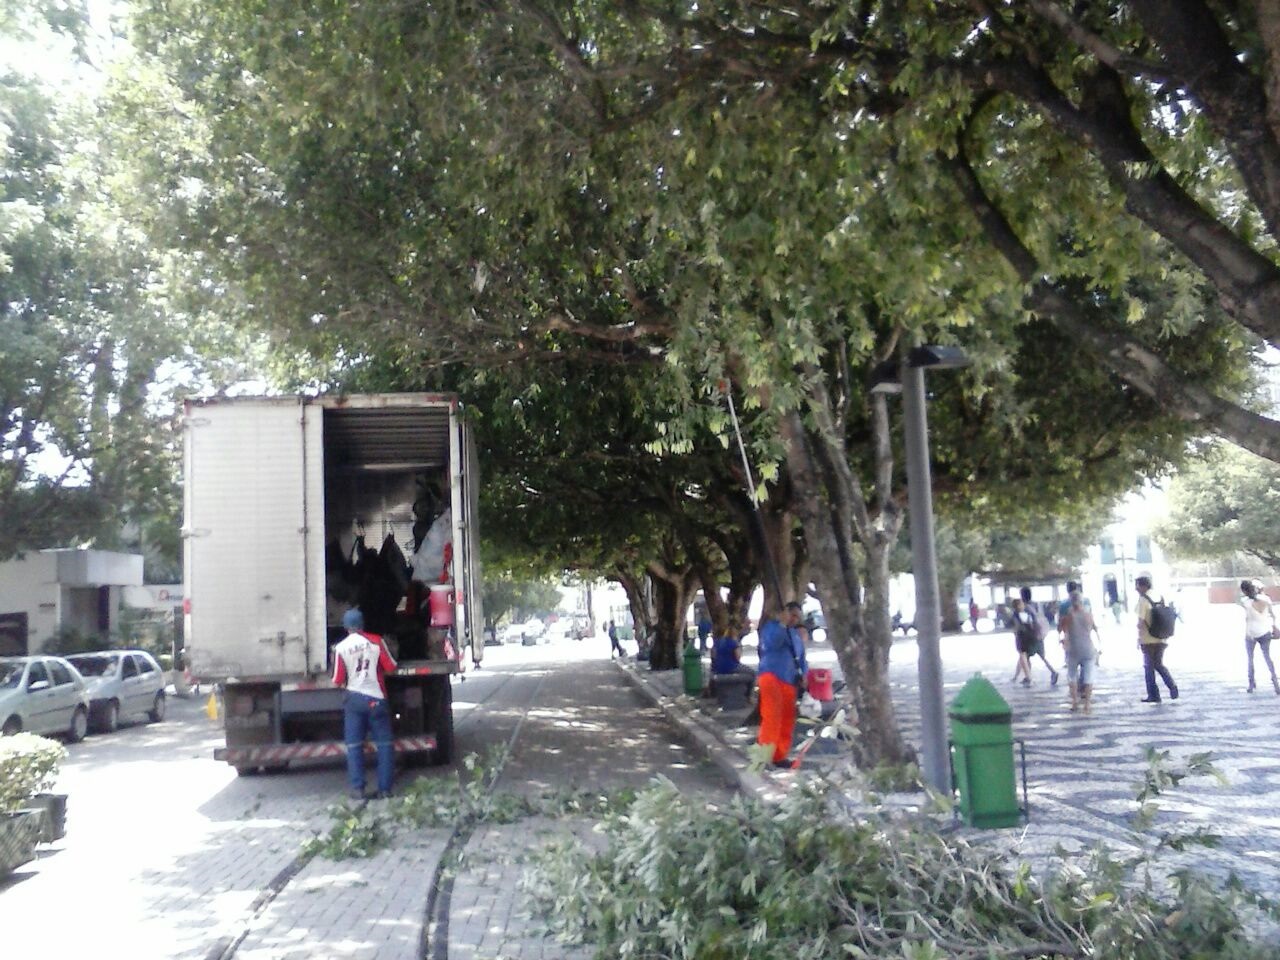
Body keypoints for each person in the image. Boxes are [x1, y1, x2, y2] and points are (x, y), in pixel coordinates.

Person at [331, 608, 397, 800]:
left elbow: (337, 679)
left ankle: (358, 789)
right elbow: (391, 666)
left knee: (354, 745)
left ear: (346, 627)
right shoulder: (376, 641)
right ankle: (385, 789)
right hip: (377, 698)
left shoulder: (341, 648)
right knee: (384, 744)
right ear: (362, 624)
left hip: (354, 701)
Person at [756, 601, 808, 769]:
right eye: (792, 615)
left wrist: (805, 675)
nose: (794, 619)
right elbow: (771, 643)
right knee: (772, 717)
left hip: (789, 681)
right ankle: (764, 757)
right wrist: (781, 625)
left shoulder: (795, 635)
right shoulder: (771, 628)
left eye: (797, 617)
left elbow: (801, 658)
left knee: (787, 719)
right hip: (771, 677)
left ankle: (779, 755)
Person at [1135, 575, 1179, 703]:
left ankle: (1153, 695)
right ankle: (1172, 685)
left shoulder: (1143, 600)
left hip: (1148, 639)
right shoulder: (1159, 597)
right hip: (1162, 637)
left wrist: (1139, 637)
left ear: (1143, 586)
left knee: (1149, 667)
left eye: (1137, 585)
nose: (1136, 589)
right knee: (1159, 664)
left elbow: (1141, 622)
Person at [1059, 591, 1101, 714]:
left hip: (1073, 648)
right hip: (1088, 647)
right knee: (1088, 676)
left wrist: (1063, 641)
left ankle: (1074, 702)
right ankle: (1087, 704)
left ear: (1071, 602)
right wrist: (1099, 646)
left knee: (1072, 675)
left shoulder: (1068, 616)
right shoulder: (1089, 615)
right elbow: (1095, 630)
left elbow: (1063, 631)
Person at [1240, 580, 1280, 694]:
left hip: (1251, 634)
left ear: (1244, 591)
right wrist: (1274, 627)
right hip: (1265, 632)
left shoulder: (1245, 602)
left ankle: (1251, 684)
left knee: (1250, 659)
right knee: (1268, 658)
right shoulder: (1266, 599)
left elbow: (1248, 619)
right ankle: (1276, 684)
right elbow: (1273, 615)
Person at [1020, 587, 1059, 686]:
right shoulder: (1036, 605)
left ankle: (1028, 677)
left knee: (1025, 655)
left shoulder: (1025, 608)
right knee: (1041, 655)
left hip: (1031, 635)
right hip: (1040, 633)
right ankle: (1052, 671)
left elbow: (1028, 622)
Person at [1010, 597, 1035, 686]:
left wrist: (1015, 634)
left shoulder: (1015, 616)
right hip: (1030, 637)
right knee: (1024, 657)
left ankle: (1028, 677)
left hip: (1021, 637)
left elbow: (1016, 628)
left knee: (1023, 656)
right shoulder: (1028, 614)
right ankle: (1017, 676)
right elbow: (1032, 625)